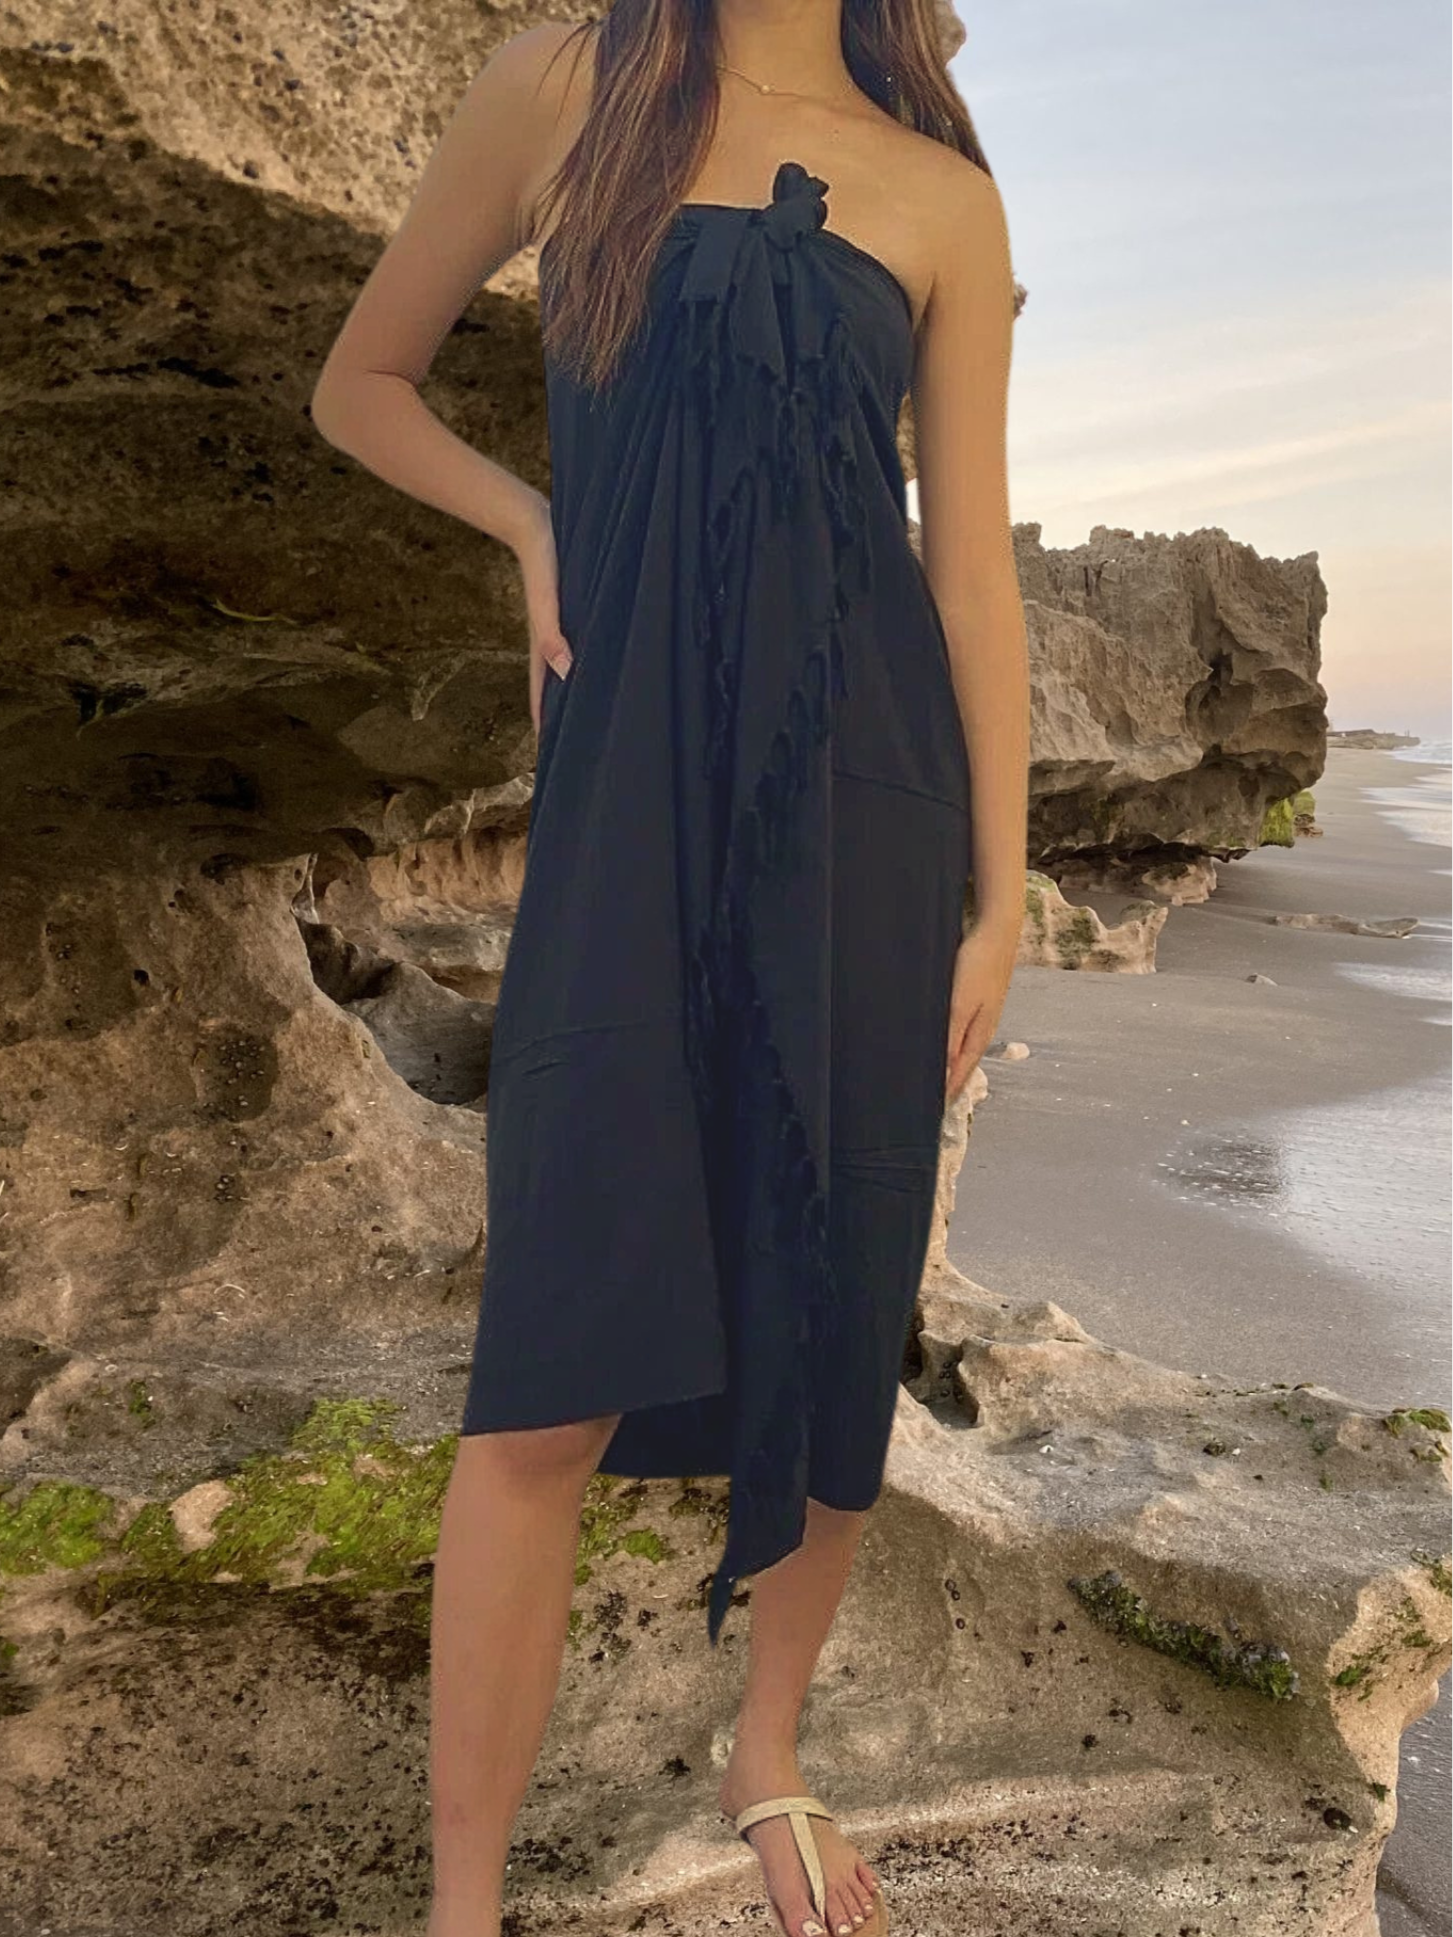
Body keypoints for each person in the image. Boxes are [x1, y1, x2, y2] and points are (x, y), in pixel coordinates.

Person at [310, 4, 1029, 1934]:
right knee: (549, 1374)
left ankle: (768, 1752)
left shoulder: (946, 195)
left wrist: (1004, 892)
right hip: (629, 795)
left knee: (839, 1270)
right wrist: (534, 518)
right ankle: (463, 1906)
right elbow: (362, 384)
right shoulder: (569, 83)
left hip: (876, 808)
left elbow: (967, 575)